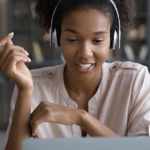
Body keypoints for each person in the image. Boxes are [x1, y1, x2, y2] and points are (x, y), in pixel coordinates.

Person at [1, 0, 150, 150]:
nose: (85, 53)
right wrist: (25, 90)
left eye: (98, 40)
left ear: (113, 40)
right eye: (72, 40)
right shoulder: (32, 84)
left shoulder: (135, 80)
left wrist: (81, 117)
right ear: (56, 37)